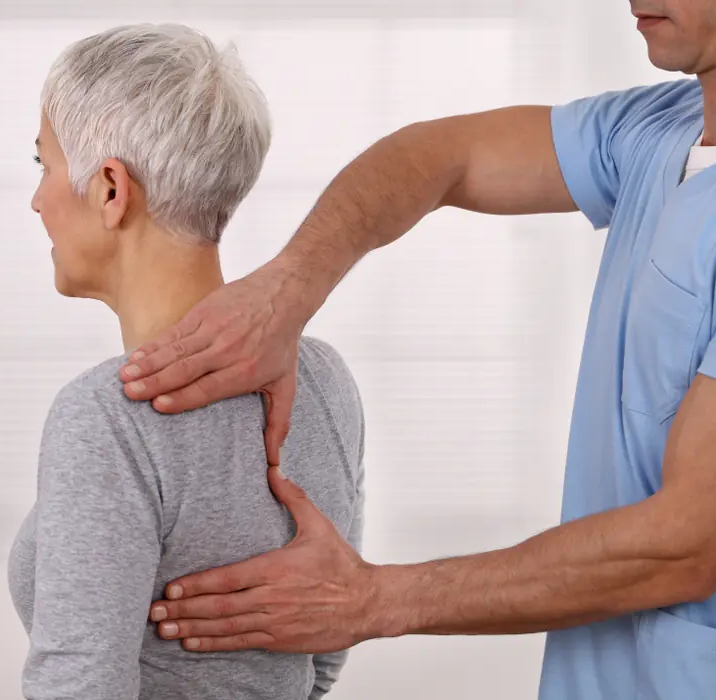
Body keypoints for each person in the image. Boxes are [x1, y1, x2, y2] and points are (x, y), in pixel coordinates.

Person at [123, 4, 716, 699]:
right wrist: (288, 291)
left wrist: (375, 600)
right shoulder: (653, 129)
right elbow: (437, 155)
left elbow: (689, 542)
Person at [7, 24, 366, 700]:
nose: (36, 200)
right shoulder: (324, 383)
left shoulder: (108, 417)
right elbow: (319, 660)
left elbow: (78, 687)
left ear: (111, 188)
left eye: (43, 166)